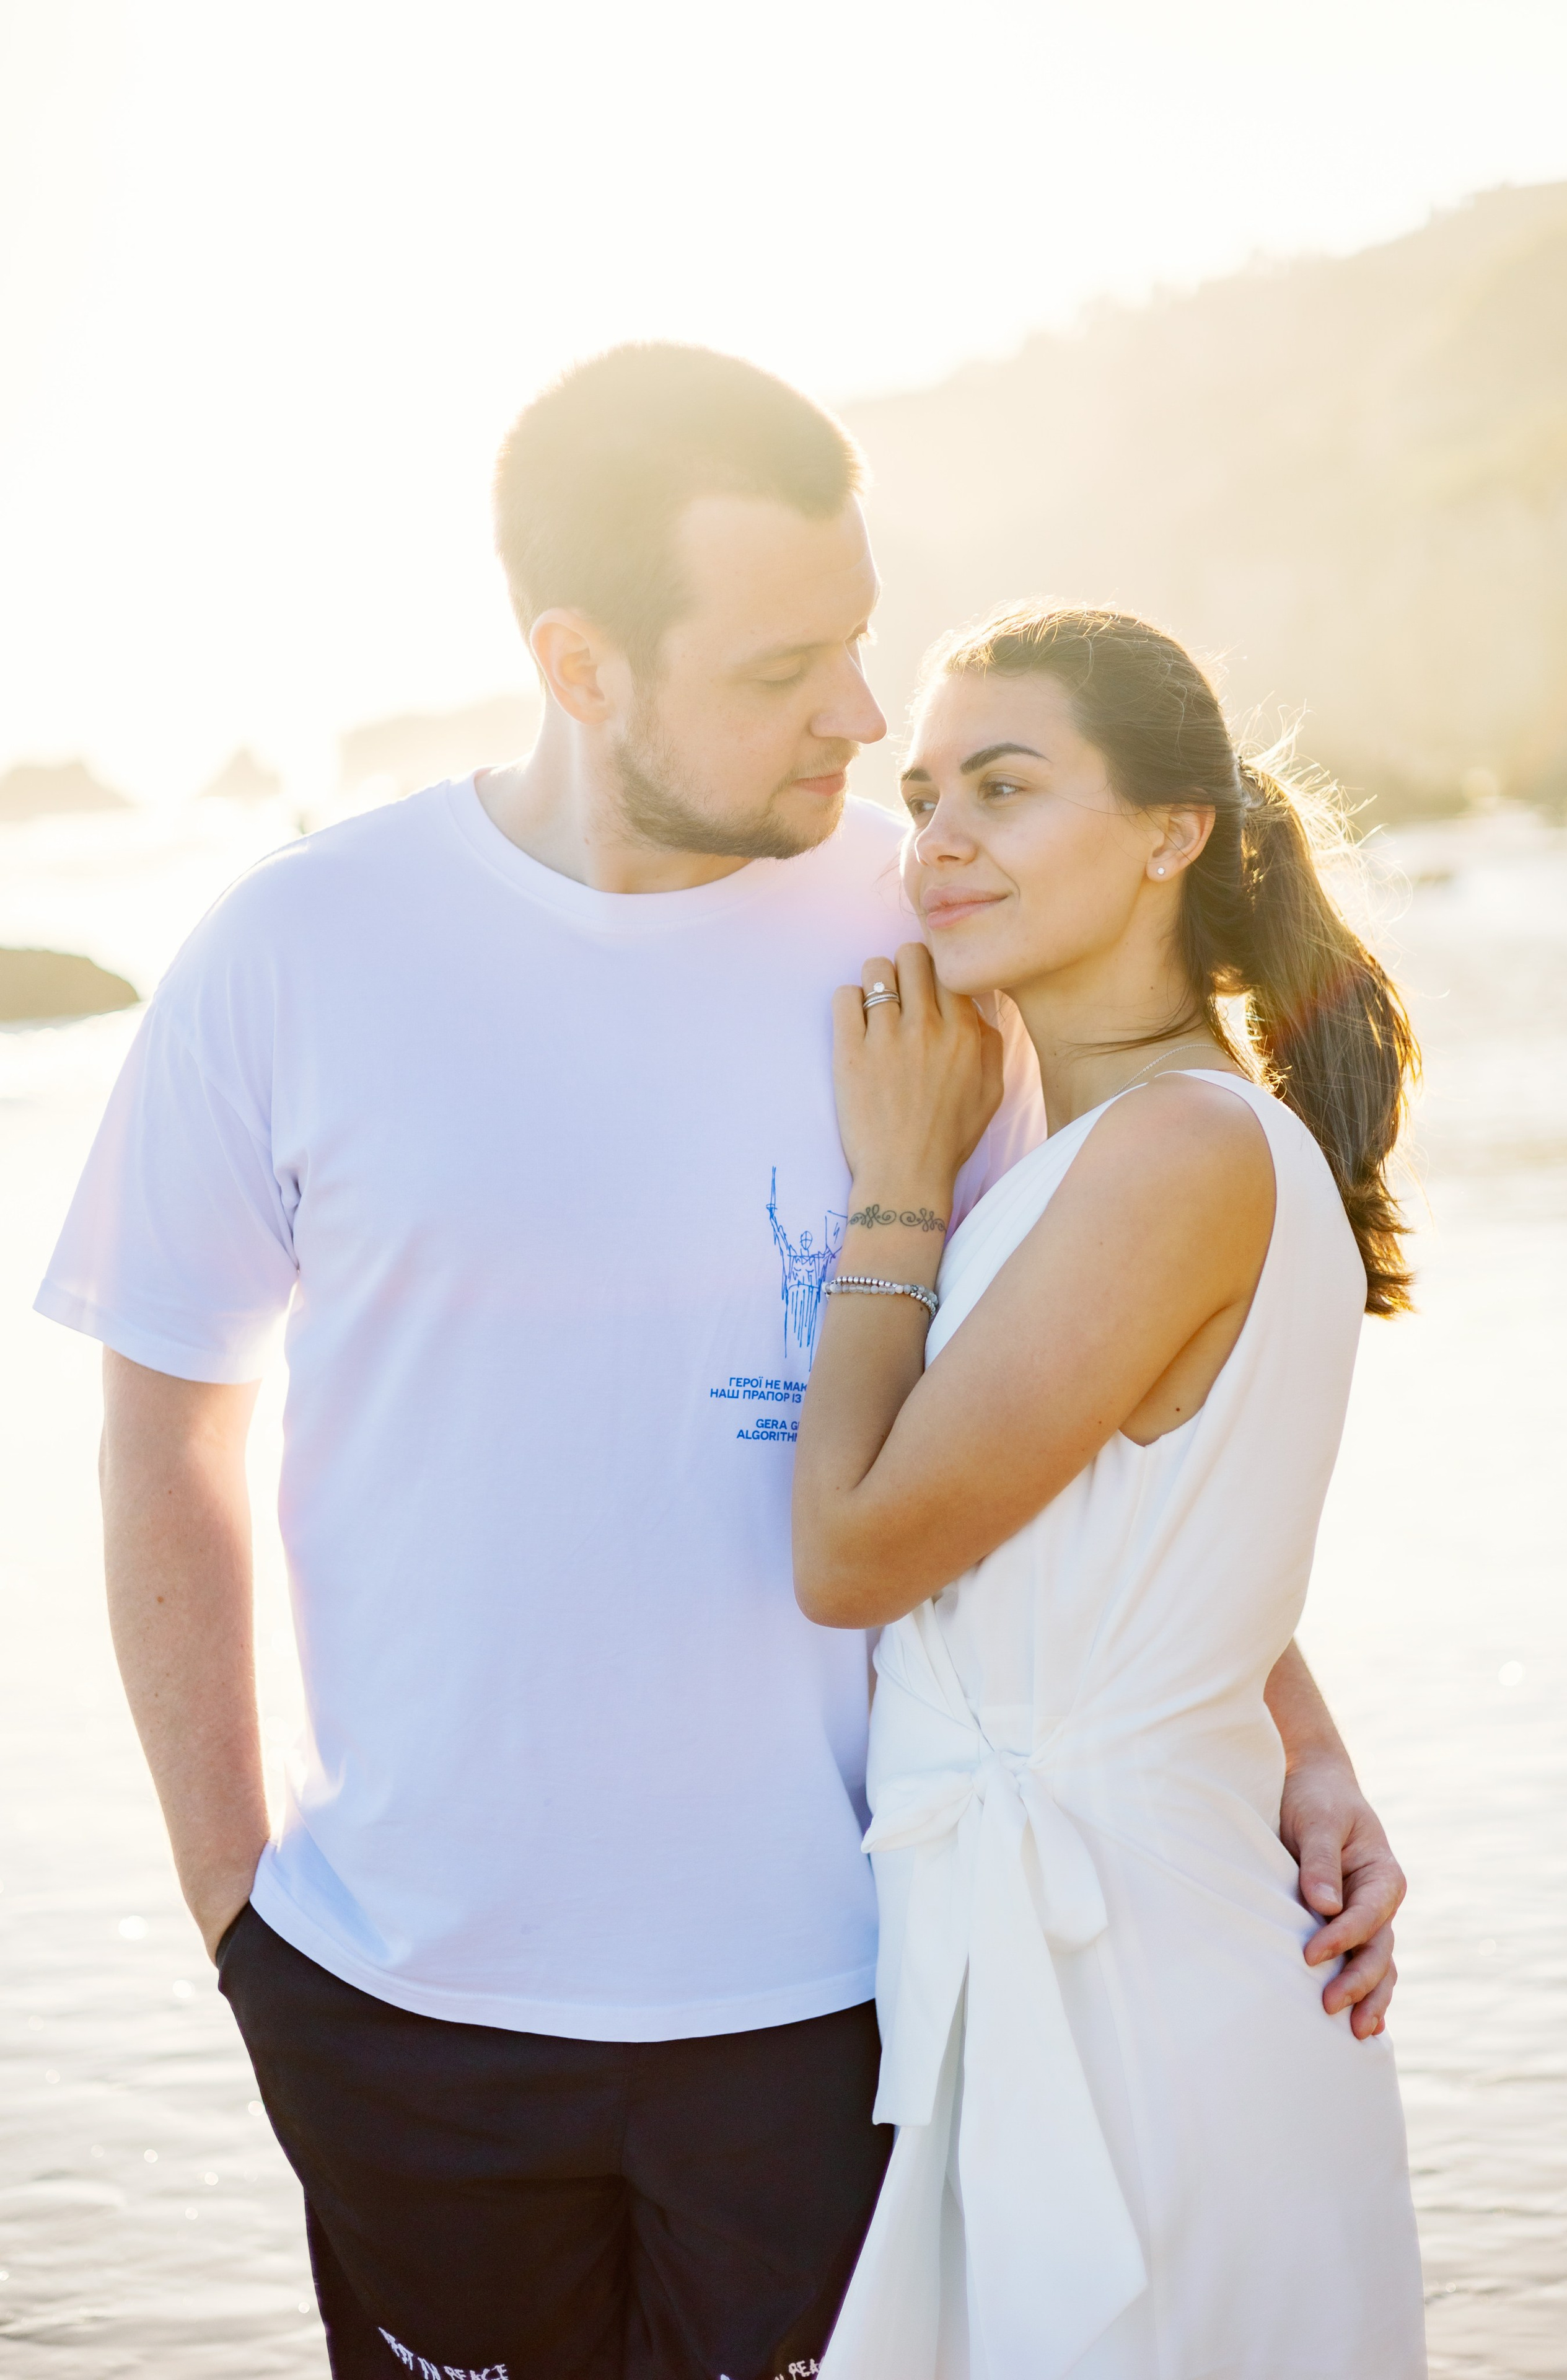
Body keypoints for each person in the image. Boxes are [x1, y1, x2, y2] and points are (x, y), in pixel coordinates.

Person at [38, 350, 1405, 2380]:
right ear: (580, 663)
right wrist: (241, 1922)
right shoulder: (296, 949)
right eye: (787, 671)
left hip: (851, 1996)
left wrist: (1287, 1724)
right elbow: (170, 1438)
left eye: (862, 645)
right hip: (411, 2010)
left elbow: (1092, 1406)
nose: (863, 721)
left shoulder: (947, 935)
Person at [792, 604, 1427, 2379]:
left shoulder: (1174, 1150)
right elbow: (1154, 1530)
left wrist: (896, 1183)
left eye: (1006, 786)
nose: (937, 842)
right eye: (922, 796)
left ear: (1175, 830)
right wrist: (1304, 1732)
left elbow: (850, 1554)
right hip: (1085, 1929)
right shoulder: (1112, 1146)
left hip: (1136, 1982)